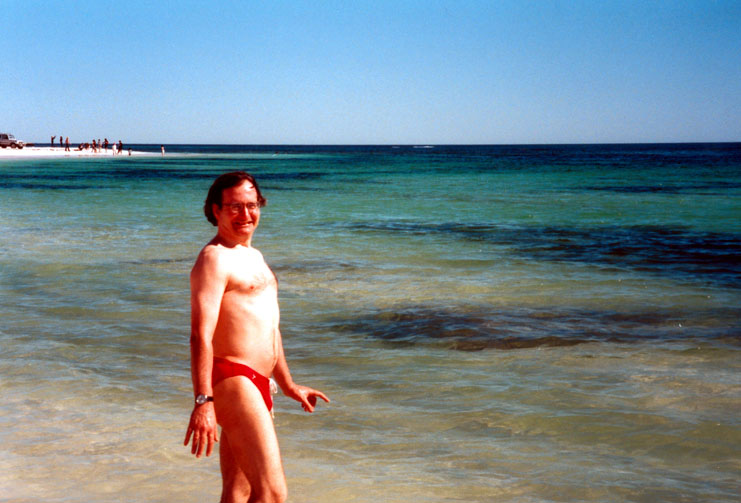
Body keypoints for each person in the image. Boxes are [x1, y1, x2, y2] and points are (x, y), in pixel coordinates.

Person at [184, 172, 329, 503]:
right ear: (216, 210)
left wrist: (288, 384)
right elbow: (199, 335)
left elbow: (270, 327)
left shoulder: (255, 256)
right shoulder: (214, 258)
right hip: (233, 378)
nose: (245, 214)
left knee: (238, 493)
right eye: (235, 206)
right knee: (273, 494)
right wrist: (203, 401)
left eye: (252, 205)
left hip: (259, 382)